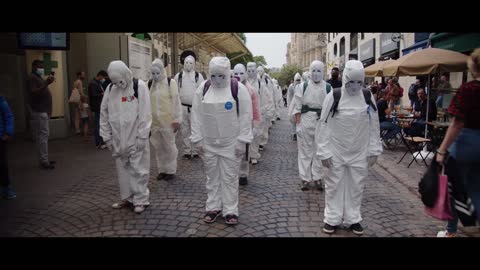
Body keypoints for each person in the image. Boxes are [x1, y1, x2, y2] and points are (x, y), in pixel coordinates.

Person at [316, 60, 382, 235]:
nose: (355, 86)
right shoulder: (334, 96)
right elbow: (323, 124)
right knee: (333, 185)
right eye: (351, 82)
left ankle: (353, 219)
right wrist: (323, 151)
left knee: (356, 186)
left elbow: (374, 124)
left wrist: (374, 149)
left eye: (358, 82)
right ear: (345, 79)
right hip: (336, 150)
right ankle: (332, 218)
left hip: (359, 151)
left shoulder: (367, 96)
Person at [190, 57, 253, 225]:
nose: (217, 80)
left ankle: (231, 210)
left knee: (230, 177)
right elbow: (195, 115)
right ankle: (213, 206)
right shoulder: (203, 89)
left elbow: (246, 116)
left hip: (231, 144)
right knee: (211, 177)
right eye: (214, 76)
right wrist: (197, 139)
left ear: (227, 73)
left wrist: (242, 141)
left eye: (221, 76)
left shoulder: (238, 89)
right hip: (209, 143)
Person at [100, 61, 152, 214]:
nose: (118, 84)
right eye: (115, 81)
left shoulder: (139, 86)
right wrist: (106, 137)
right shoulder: (111, 89)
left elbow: (145, 114)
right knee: (122, 170)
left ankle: (141, 200)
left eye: (120, 81)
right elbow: (104, 114)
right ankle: (128, 198)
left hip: (135, 138)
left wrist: (142, 137)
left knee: (139, 169)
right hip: (118, 140)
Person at [436, 48, 480, 222]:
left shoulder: (469, 89)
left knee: (453, 188)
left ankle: (451, 230)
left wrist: (441, 150)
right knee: (477, 187)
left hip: (466, 142)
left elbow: (457, 123)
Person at [293, 60, 329, 191]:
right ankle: (305, 178)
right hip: (306, 120)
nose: (316, 73)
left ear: (323, 72)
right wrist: (298, 124)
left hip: (321, 122)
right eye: (313, 70)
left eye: (318, 70)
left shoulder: (327, 88)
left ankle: (318, 177)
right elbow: (297, 107)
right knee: (304, 151)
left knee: (319, 151)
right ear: (310, 71)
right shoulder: (302, 86)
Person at [148, 59, 182, 181]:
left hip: (168, 122)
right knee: (159, 147)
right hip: (155, 123)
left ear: (162, 71)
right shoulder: (150, 84)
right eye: (153, 73)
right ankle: (162, 170)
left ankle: (171, 170)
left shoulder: (170, 82)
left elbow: (176, 102)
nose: (155, 76)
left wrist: (177, 119)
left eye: (157, 73)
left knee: (169, 147)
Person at [233, 63, 261, 186]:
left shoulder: (251, 90)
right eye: (236, 73)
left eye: (241, 73)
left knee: (245, 150)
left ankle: (243, 174)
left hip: (246, 123)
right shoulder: (228, 87)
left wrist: (256, 126)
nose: (238, 76)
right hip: (231, 123)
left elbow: (256, 109)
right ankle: (233, 173)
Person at [174, 55, 205, 159]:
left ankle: (195, 150)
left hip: (195, 107)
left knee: (195, 128)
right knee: (184, 130)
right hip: (182, 107)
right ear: (183, 63)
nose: (188, 65)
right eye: (186, 62)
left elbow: (202, 91)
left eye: (190, 63)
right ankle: (187, 151)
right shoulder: (178, 76)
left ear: (194, 64)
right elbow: (175, 92)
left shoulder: (198, 76)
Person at [27, 60, 55, 169]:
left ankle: (44, 159)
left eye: (42, 67)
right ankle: (44, 161)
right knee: (43, 136)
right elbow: (34, 92)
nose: (42, 69)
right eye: (40, 67)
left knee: (43, 136)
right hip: (39, 110)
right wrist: (46, 83)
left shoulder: (37, 78)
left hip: (43, 111)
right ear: (34, 66)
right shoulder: (32, 78)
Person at [246, 62, 273, 165]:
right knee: (246, 135)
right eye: (249, 70)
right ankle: (246, 155)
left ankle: (253, 154)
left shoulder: (260, 85)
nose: (251, 72)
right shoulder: (242, 83)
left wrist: (265, 111)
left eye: (253, 70)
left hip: (257, 114)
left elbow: (268, 99)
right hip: (246, 114)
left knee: (256, 135)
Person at [0, 95, 16, 199]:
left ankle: (6, 188)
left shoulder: (1, 101)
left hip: (0, 137)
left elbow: (9, 116)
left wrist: (8, 133)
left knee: (1, 164)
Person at [88, 70, 108, 149]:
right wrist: (102, 94)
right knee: (98, 125)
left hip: (99, 106)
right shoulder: (93, 84)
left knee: (100, 124)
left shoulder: (97, 83)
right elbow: (94, 95)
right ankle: (99, 142)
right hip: (97, 107)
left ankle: (101, 141)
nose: (103, 79)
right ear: (100, 75)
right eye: (103, 77)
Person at [288, 73, 302, 141]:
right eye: (297, 80)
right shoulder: (291, 86)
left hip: (299, 105)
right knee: (293, 120)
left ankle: (298, 133)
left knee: (299, 120)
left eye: (299, 80)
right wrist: (290, 105)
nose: (298, 81)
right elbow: (289, 96)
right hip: (293, 105)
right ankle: (294, 133)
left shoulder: (302, 86)